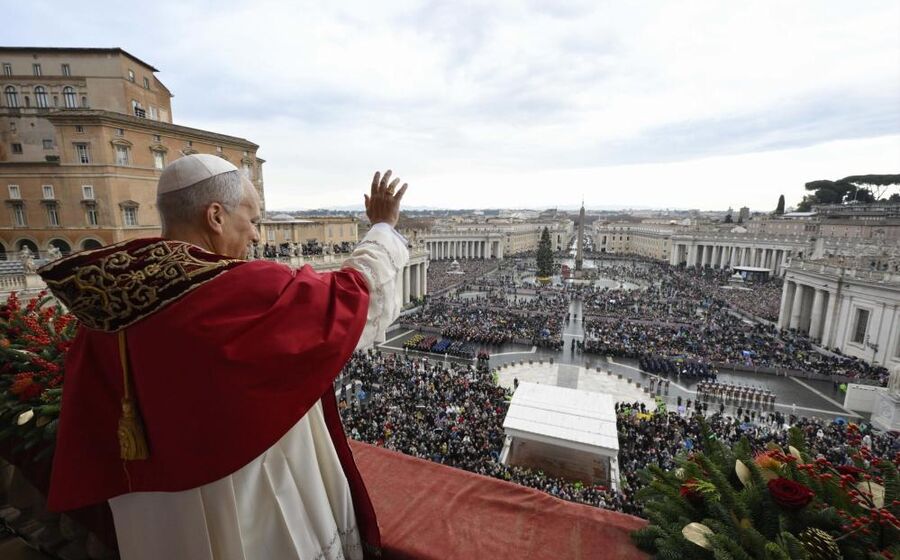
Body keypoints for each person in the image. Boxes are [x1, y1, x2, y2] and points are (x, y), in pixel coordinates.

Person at [38, 155, 410, 560]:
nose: (254, 236)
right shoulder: (240, 290)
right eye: (251, 220)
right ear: (215, 216)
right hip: (250, 495)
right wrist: (383, 227)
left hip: (156, 516)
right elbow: (354, 296)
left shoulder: (107, 308)